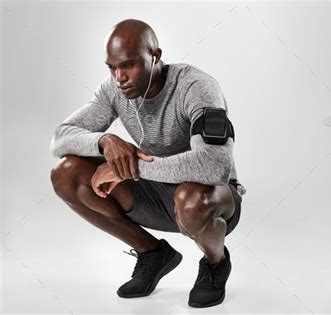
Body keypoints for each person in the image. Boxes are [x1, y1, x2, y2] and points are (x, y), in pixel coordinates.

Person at [49, 18, 246, 308]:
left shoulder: (197, 87)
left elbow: (213, 166)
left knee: (190, 197)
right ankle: (152, 253)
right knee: (66, 174)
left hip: (211, 198)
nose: (119, 77)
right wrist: (104, 141)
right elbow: (60, 138)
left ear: (155, 56)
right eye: (112, 67)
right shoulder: (114, 90)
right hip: (156, 192)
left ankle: (216, 264)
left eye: (128, 65)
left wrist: (131, 168)